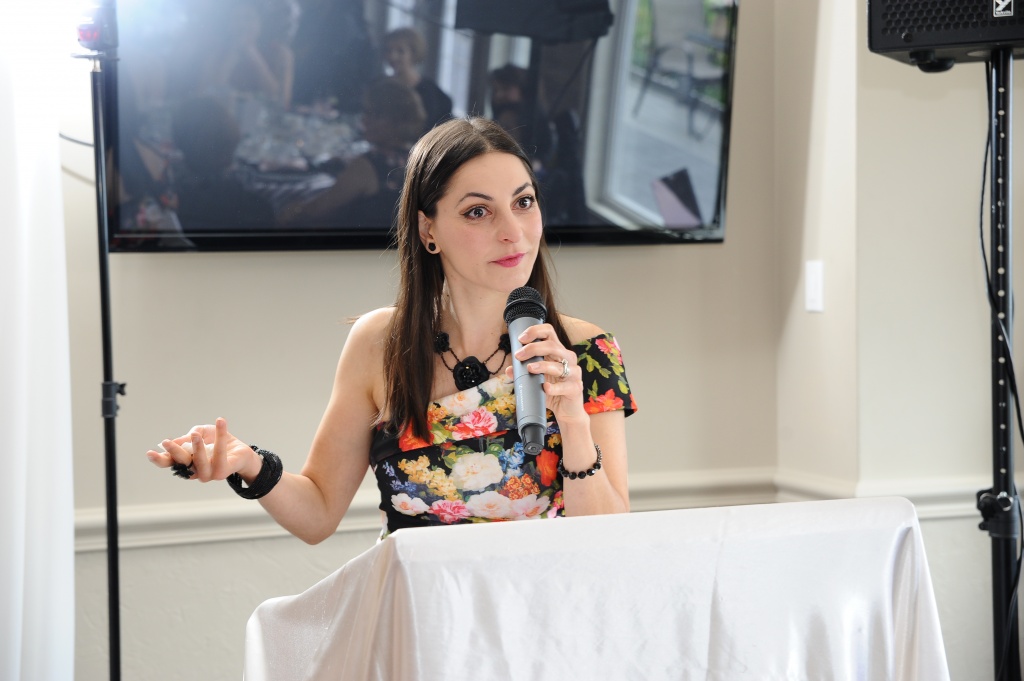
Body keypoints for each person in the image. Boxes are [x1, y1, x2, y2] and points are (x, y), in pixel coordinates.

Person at [146, 117, 636, 540]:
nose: (513, 232)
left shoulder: (585, 351)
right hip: (417, 605)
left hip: (541, 605)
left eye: (523, 202)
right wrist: (248, 463)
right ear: (428, 230)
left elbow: (610, 539)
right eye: (478, 212)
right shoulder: (380, 342)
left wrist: (574, 425)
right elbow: (318, 513)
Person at [277, 78, 426, 228]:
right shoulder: (419, 160)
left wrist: (292, 210)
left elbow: (315, 210)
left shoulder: (368, 166)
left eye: (373, 114)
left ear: (396, 120)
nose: (364, 120)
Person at [382, 27, 453, 134]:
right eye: (388, 50)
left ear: (414, 53)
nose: (393, 56)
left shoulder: (430, 91)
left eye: (400, 51)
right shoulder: (380, 85)